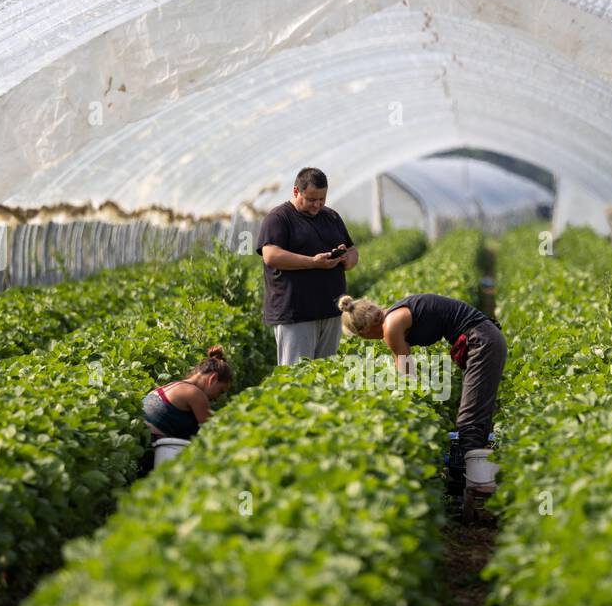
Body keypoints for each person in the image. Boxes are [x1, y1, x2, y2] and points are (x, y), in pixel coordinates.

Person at [337, 292, 507, 452]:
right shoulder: (394, 313)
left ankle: (473, 477)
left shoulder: (391, 326)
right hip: (484, 336)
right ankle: (478, 465)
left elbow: (405, 375)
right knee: (475, 414)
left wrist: (401, 403)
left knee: (470, 421)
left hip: (482, 342)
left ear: (364, 332)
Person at [256, 166, 358, 366]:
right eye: (312, 199)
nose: (317, 204)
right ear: (296, 191)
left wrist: (347, 259)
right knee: (297, 375)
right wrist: (313, 262)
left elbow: (353, 251)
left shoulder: (332, 217)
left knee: (327, 374)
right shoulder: (279, 218)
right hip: (296, 314)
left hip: (331, 311)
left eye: (322, 199)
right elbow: (271, 255)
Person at [142, 345, 232, 441]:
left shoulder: (173, 385)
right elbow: (213, 432)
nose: (217, 397)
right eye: (220, 391)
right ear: (213, 379)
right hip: (156, 449)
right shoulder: (195, 394)